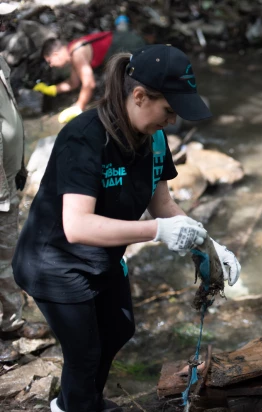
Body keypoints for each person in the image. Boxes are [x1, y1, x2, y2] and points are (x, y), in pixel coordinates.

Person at [12, 44, 241, 412]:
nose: (172, 121)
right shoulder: (85, 137)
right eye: (168, 110)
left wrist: (208, 245)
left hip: (103, 256)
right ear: (138, 96)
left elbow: (162, 203)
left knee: (120, 329)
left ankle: (75, 403)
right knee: (85, 352)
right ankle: (77, 406)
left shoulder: (155, 139)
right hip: (55, 263)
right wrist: (156, 233)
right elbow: (77, 224)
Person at [33, 30, 146, 123]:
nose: (51, 65)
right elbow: (73, 83)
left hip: (126, 43)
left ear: (55, 55)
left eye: (49, 61)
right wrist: (51, 89)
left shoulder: (77, 54)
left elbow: (89, 84)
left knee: (141, 80)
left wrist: (79, 107)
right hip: (120, 43)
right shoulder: (72, 51)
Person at [0, 3, 29, 363]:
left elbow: (11, 117)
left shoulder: (1, 63)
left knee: (9, 258)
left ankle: (11, 322)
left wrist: (19, 166)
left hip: (9, 181)